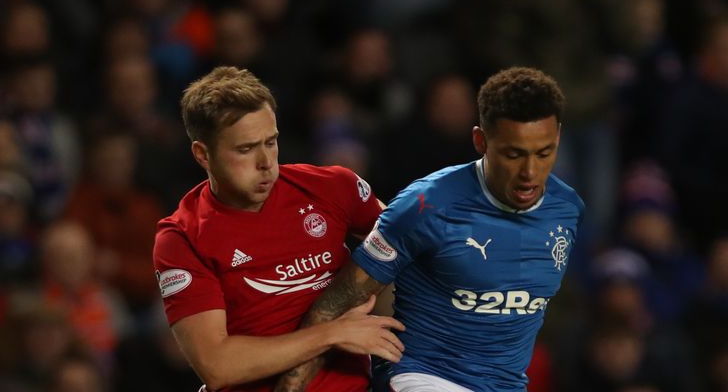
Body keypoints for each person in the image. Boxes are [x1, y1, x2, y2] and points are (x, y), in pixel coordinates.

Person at [276, 67, 585, 392]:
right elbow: (332, 305)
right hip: (421, 376)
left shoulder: (566, 209)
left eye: (544, 153)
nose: (530, 172)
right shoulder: (426, 205)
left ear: (558, 139)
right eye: (513, 154)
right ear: (480, 141)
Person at [151, 66, 405, 392]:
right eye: (245, 149)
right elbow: (217, 366)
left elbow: (410, 240)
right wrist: (332, 333)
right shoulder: (182, 238)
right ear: (203, 154)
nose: (266, 162)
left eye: (271, 142)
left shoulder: (332, 188)